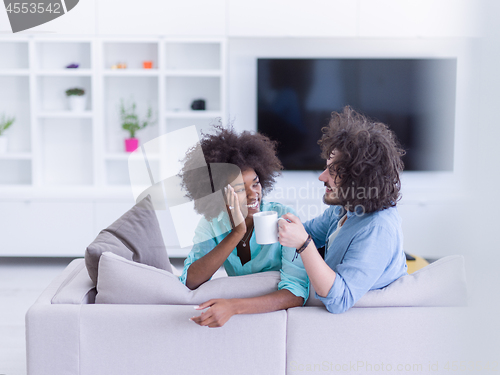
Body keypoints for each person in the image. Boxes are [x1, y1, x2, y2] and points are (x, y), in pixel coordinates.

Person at [278, 106, 408, 314]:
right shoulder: (347, 208)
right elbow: (309, 231)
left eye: (332, 171)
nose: (321, 177)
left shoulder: (378, 229)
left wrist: (303, 244)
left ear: (360, 179)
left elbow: (339, 300)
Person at [179, 126, 309, 327]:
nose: (253, 194)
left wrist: (233, 307)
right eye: (239, 189)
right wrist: (236, 232)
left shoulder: (285, 218)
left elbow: (296, 293)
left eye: (256, 184)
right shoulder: (212, 223)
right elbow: (190, 281)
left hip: (274, 318)